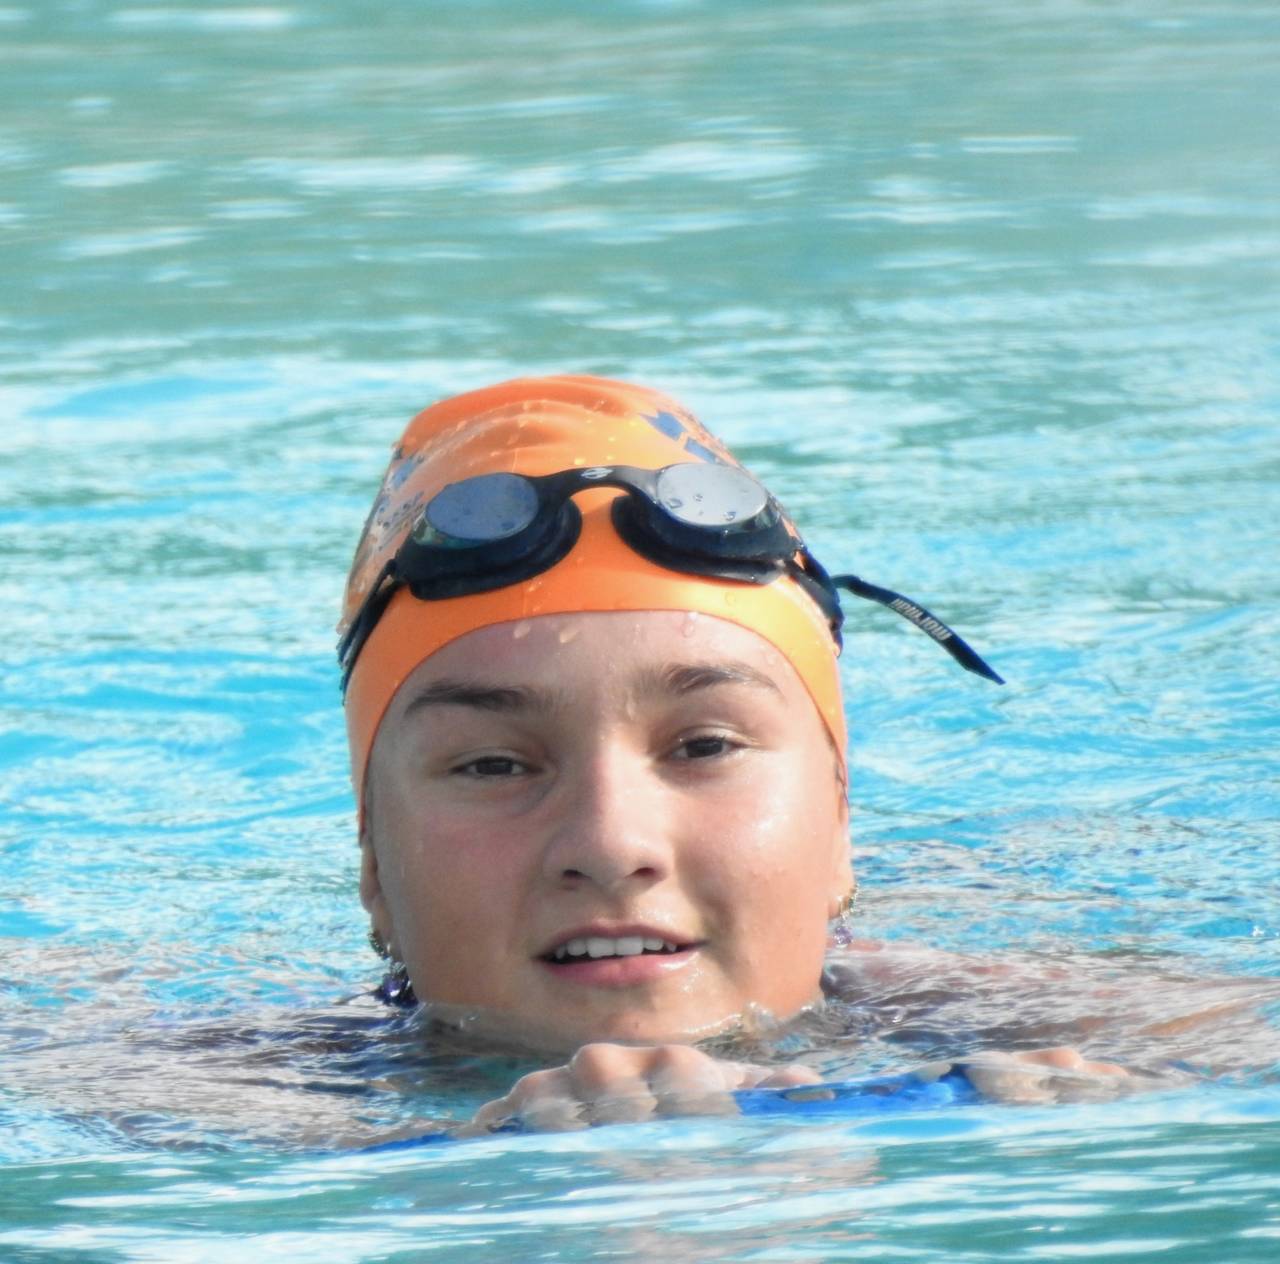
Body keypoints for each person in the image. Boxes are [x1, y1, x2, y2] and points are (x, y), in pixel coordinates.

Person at [336, 376, 1247, 1138]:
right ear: (373, 861)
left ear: (842, 824)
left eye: (706, 745)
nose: (612, 845)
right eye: (493, 766)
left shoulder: (1072, 1024)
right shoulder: (262, 1105)